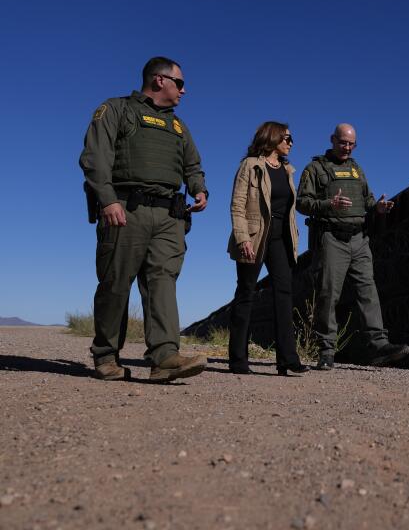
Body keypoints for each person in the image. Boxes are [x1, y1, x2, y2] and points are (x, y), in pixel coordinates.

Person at [79, 56, 208, 382]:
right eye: (179, 83)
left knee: (163, 281)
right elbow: (95, 158)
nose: (184, 90)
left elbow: (192, 164)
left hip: (169, 216)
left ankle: (164, 357)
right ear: (159, 80)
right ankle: (106, 356)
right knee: (116, 283)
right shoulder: (116, 110)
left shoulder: (178, 126)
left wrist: (199, 188)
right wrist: (107, 200)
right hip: (126, 209)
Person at [297, 123, 409, 370]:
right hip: (331, 238)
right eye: (343, 142)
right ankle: (326, 351)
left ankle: (378, 344)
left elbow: (368, 200)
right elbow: (302, 203)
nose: (347, 147)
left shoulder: (356, 169)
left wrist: (378, 208)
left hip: (359, 239)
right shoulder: (315, 169)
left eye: (351, 144)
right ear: (332, 140)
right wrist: (329, 204)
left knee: (367, 291)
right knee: (329, 295)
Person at [226, 122, 309, 376]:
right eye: (287, 137)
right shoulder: (250, 165)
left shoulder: (288, 170)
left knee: (284, 294)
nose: (291, 142)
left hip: (281, 239)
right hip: (254, 236)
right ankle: (238, 360)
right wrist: (243, 239)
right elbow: (237, 205)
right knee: (247, 292)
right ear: (272, 138)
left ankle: (287, 359)